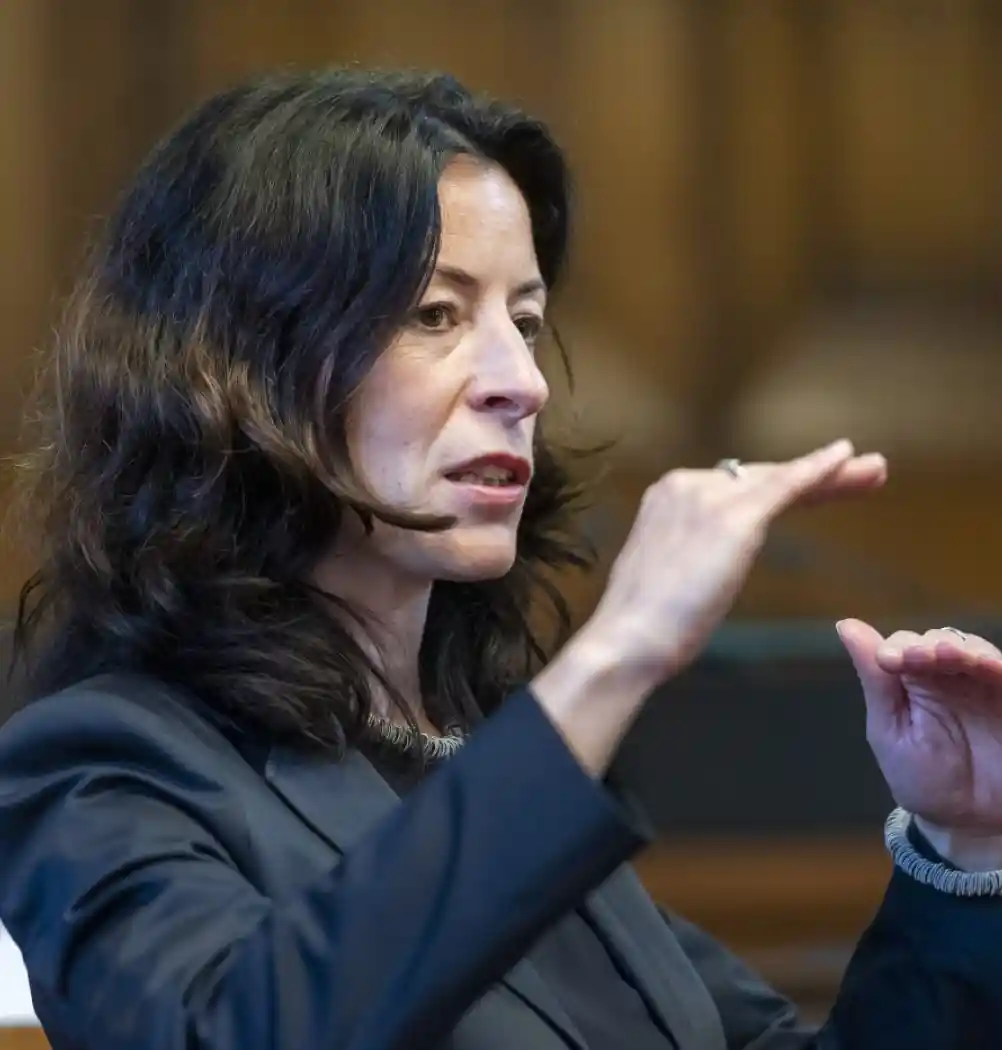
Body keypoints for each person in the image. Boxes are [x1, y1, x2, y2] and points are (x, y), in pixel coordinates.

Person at [1, 67, 1002, 1050]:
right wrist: (619, 651)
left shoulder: (480, 752)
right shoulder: (103, 762)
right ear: (240, 366)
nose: (522, 381)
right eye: (435, 314)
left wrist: (959, 845)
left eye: (525, 321)